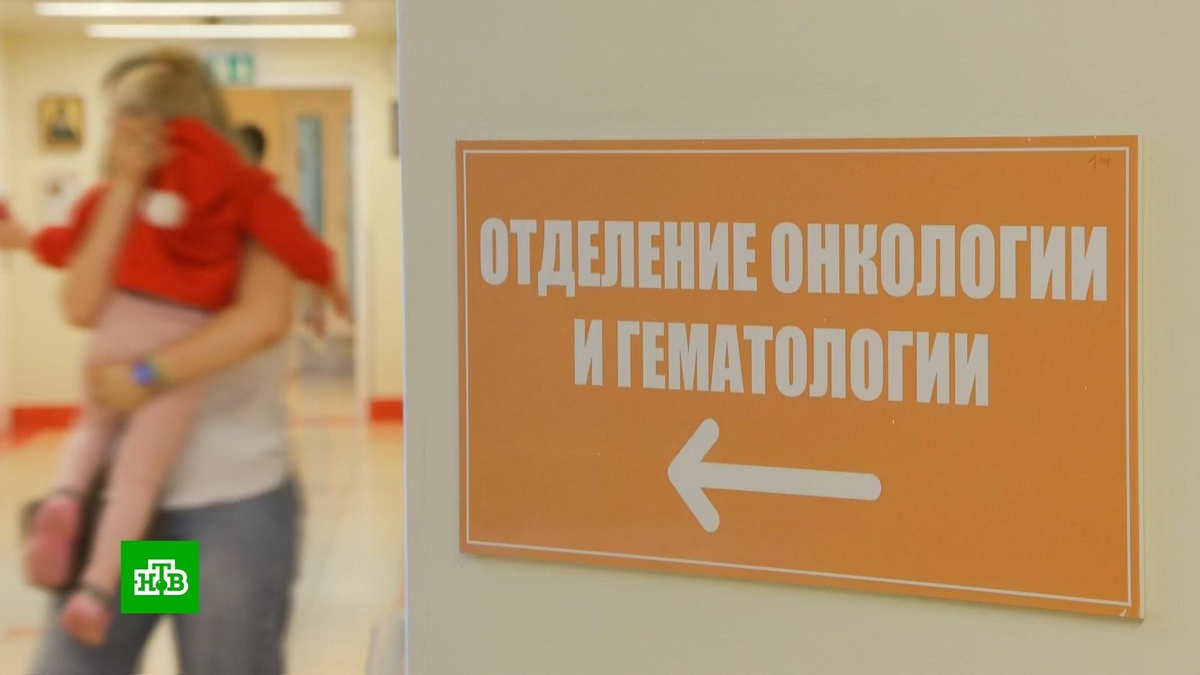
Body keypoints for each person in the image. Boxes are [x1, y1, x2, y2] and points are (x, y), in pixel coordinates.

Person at [1, 48, 346, 648]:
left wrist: (144, 374)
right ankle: (91, 574)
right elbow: (79, 305)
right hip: (144, 519)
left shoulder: (247, 207)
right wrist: (121, 189)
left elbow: (263, 319)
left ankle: (88, 562)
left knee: (217, 661)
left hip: (223, 516)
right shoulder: (122, 204)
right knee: (89, 653)